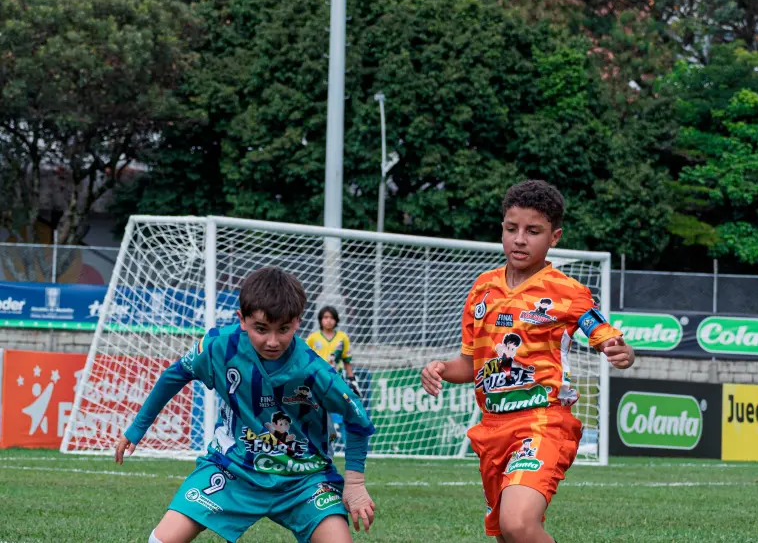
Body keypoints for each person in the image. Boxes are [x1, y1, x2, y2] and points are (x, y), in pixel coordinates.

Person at [420, 180, 635, 543]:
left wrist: (622, 351)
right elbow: (470, 366)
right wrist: (440, 367)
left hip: (542, 423)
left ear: (554, 237)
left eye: (533, 231)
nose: (519, 239)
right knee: (507, 533)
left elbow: (605, 337)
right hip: (492, 431)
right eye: (511, 229)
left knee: (518, 524)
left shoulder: (567, 291)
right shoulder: (482, 289)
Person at [115, 267, 376, 543]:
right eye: (261, 329)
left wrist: (355, 483)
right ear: (242, 319)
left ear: (298, 322)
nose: (272, 341)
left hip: (304, 479)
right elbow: (176, 374)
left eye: (283, 329)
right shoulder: (219, 346)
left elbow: (356, 418)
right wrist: (137, 428)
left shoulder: (315, 369)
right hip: (233, 469)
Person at [306, 307, 361, 398]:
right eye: (326, 317)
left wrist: (353, 381)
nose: (329, 320)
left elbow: (346, 361)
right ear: (320, 319)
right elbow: (305, 361)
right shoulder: (312, 338)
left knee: (337, 408)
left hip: (337, 379)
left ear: (336, 320)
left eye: (332, 318)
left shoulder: (342, 337)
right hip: (318, 379)